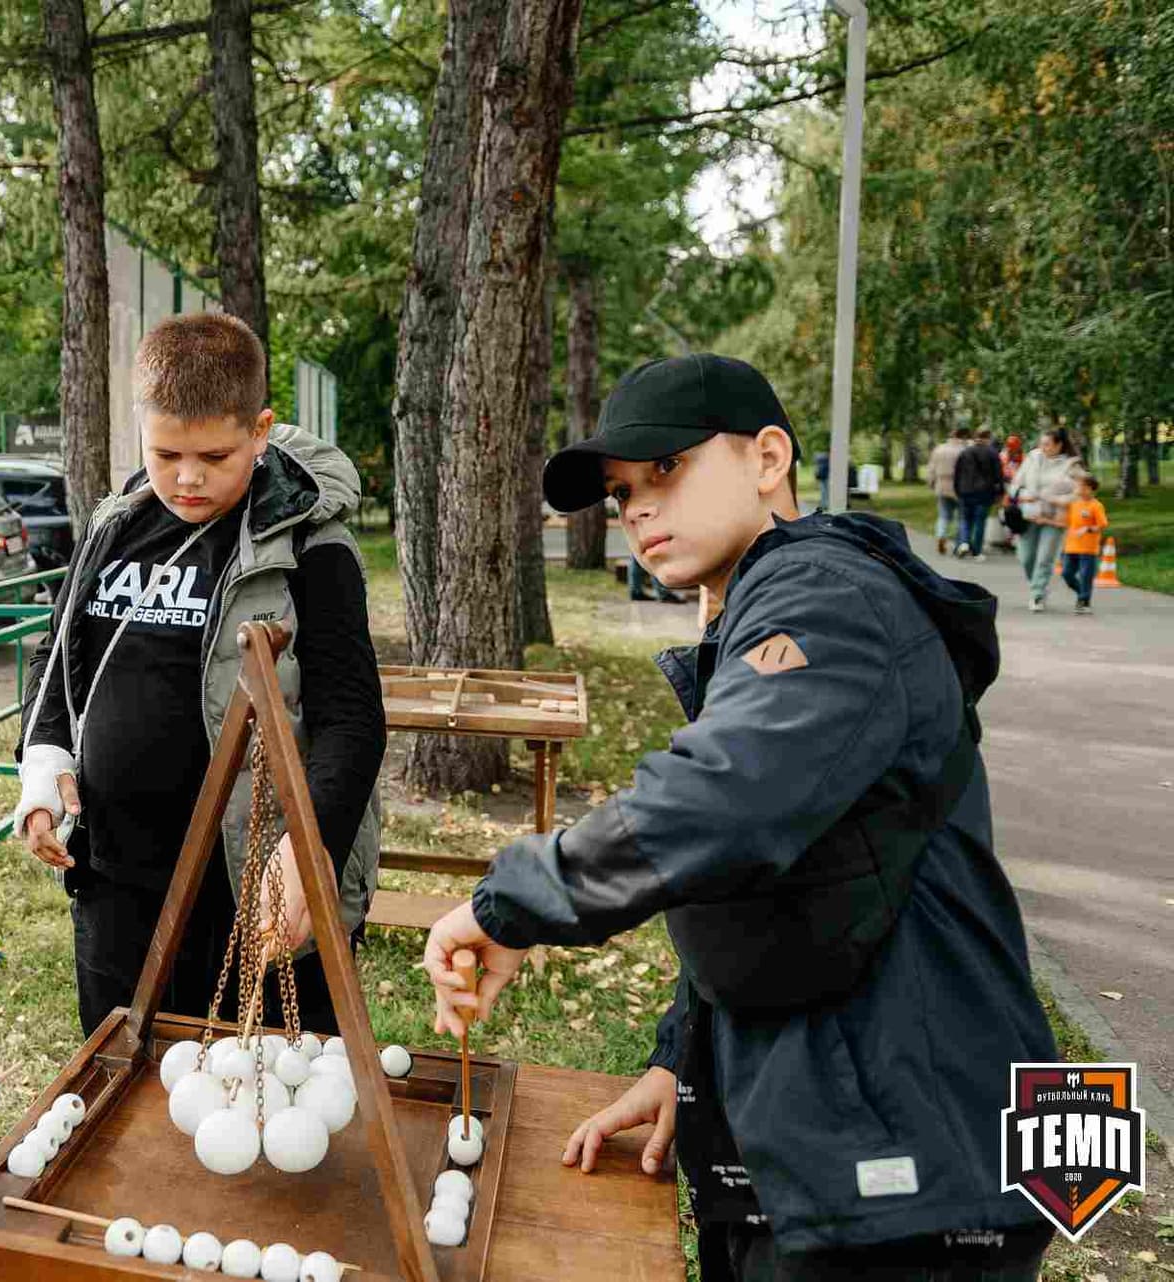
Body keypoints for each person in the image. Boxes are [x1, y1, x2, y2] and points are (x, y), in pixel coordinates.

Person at [421, 353, 1057, 1282]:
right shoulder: (770, 608)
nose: (635, 507)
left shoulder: (830, 599)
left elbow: (725, 800)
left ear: (768, 459)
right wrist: (682, 1063)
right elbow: (775, 879)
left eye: (666, 470)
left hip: (915, 1170)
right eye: (620, 490)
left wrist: (507, 904)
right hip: (834, 1139)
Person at [13, 312, 385, 1037]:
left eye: (215, 456)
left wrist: (308, 856)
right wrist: (42, 770)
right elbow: (56, 659)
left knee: (271, 1102)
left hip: (253, 884)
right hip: (116, 886)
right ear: (140, 430)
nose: (187, 478)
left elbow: (353, 719)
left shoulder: (312, 543)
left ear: (261, 428)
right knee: (123, 1090)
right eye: (166, 453)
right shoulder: (116, 525)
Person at [1009, 427, 1083, 612]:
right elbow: (1016, 484)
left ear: (1059, 445)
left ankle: (1037, 594)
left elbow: (1079, 494)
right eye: (1041, 443)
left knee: (1045, 558)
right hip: (1030, 515)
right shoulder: (1033, 458)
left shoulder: (1071, 465)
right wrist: (1024, 495)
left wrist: (1055, 500)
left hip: (1054, 518)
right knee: (1026, 558)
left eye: (1048, 444)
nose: (1043, 448)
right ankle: (1037, 584)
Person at [1059, 473, 1108, 616]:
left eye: (1085, 487)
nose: (1081, 490)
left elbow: (1102, 524)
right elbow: (1068, 524)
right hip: (1071, 547)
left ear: (1092, 490)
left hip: (1088, 548)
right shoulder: (1074, 504)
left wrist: (1088, 528)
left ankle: (1084, 601)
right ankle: (1082, 593)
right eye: (1080, 486)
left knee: (1086, 575)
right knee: (1067, 574)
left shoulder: (1096, 506)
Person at [953, 427, 1004, 559]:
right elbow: (998, 475)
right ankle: (977, 551)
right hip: (984, 492)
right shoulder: (992, 453)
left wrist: (957, 489)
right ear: (988, 438)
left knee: (965, 519)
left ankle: (963, 542)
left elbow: (957, 473)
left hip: (965, 491)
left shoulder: (965, 452)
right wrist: (1000, 492)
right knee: (979, 521)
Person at [928, 426, 967, 555]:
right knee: (961, 517)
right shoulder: (964, 450)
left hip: (941, 484)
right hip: (959, 486)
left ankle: (941, 535)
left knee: (943, 515)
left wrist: (931, 483)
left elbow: (931, 469)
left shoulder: (939, 449)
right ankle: (959, 543)